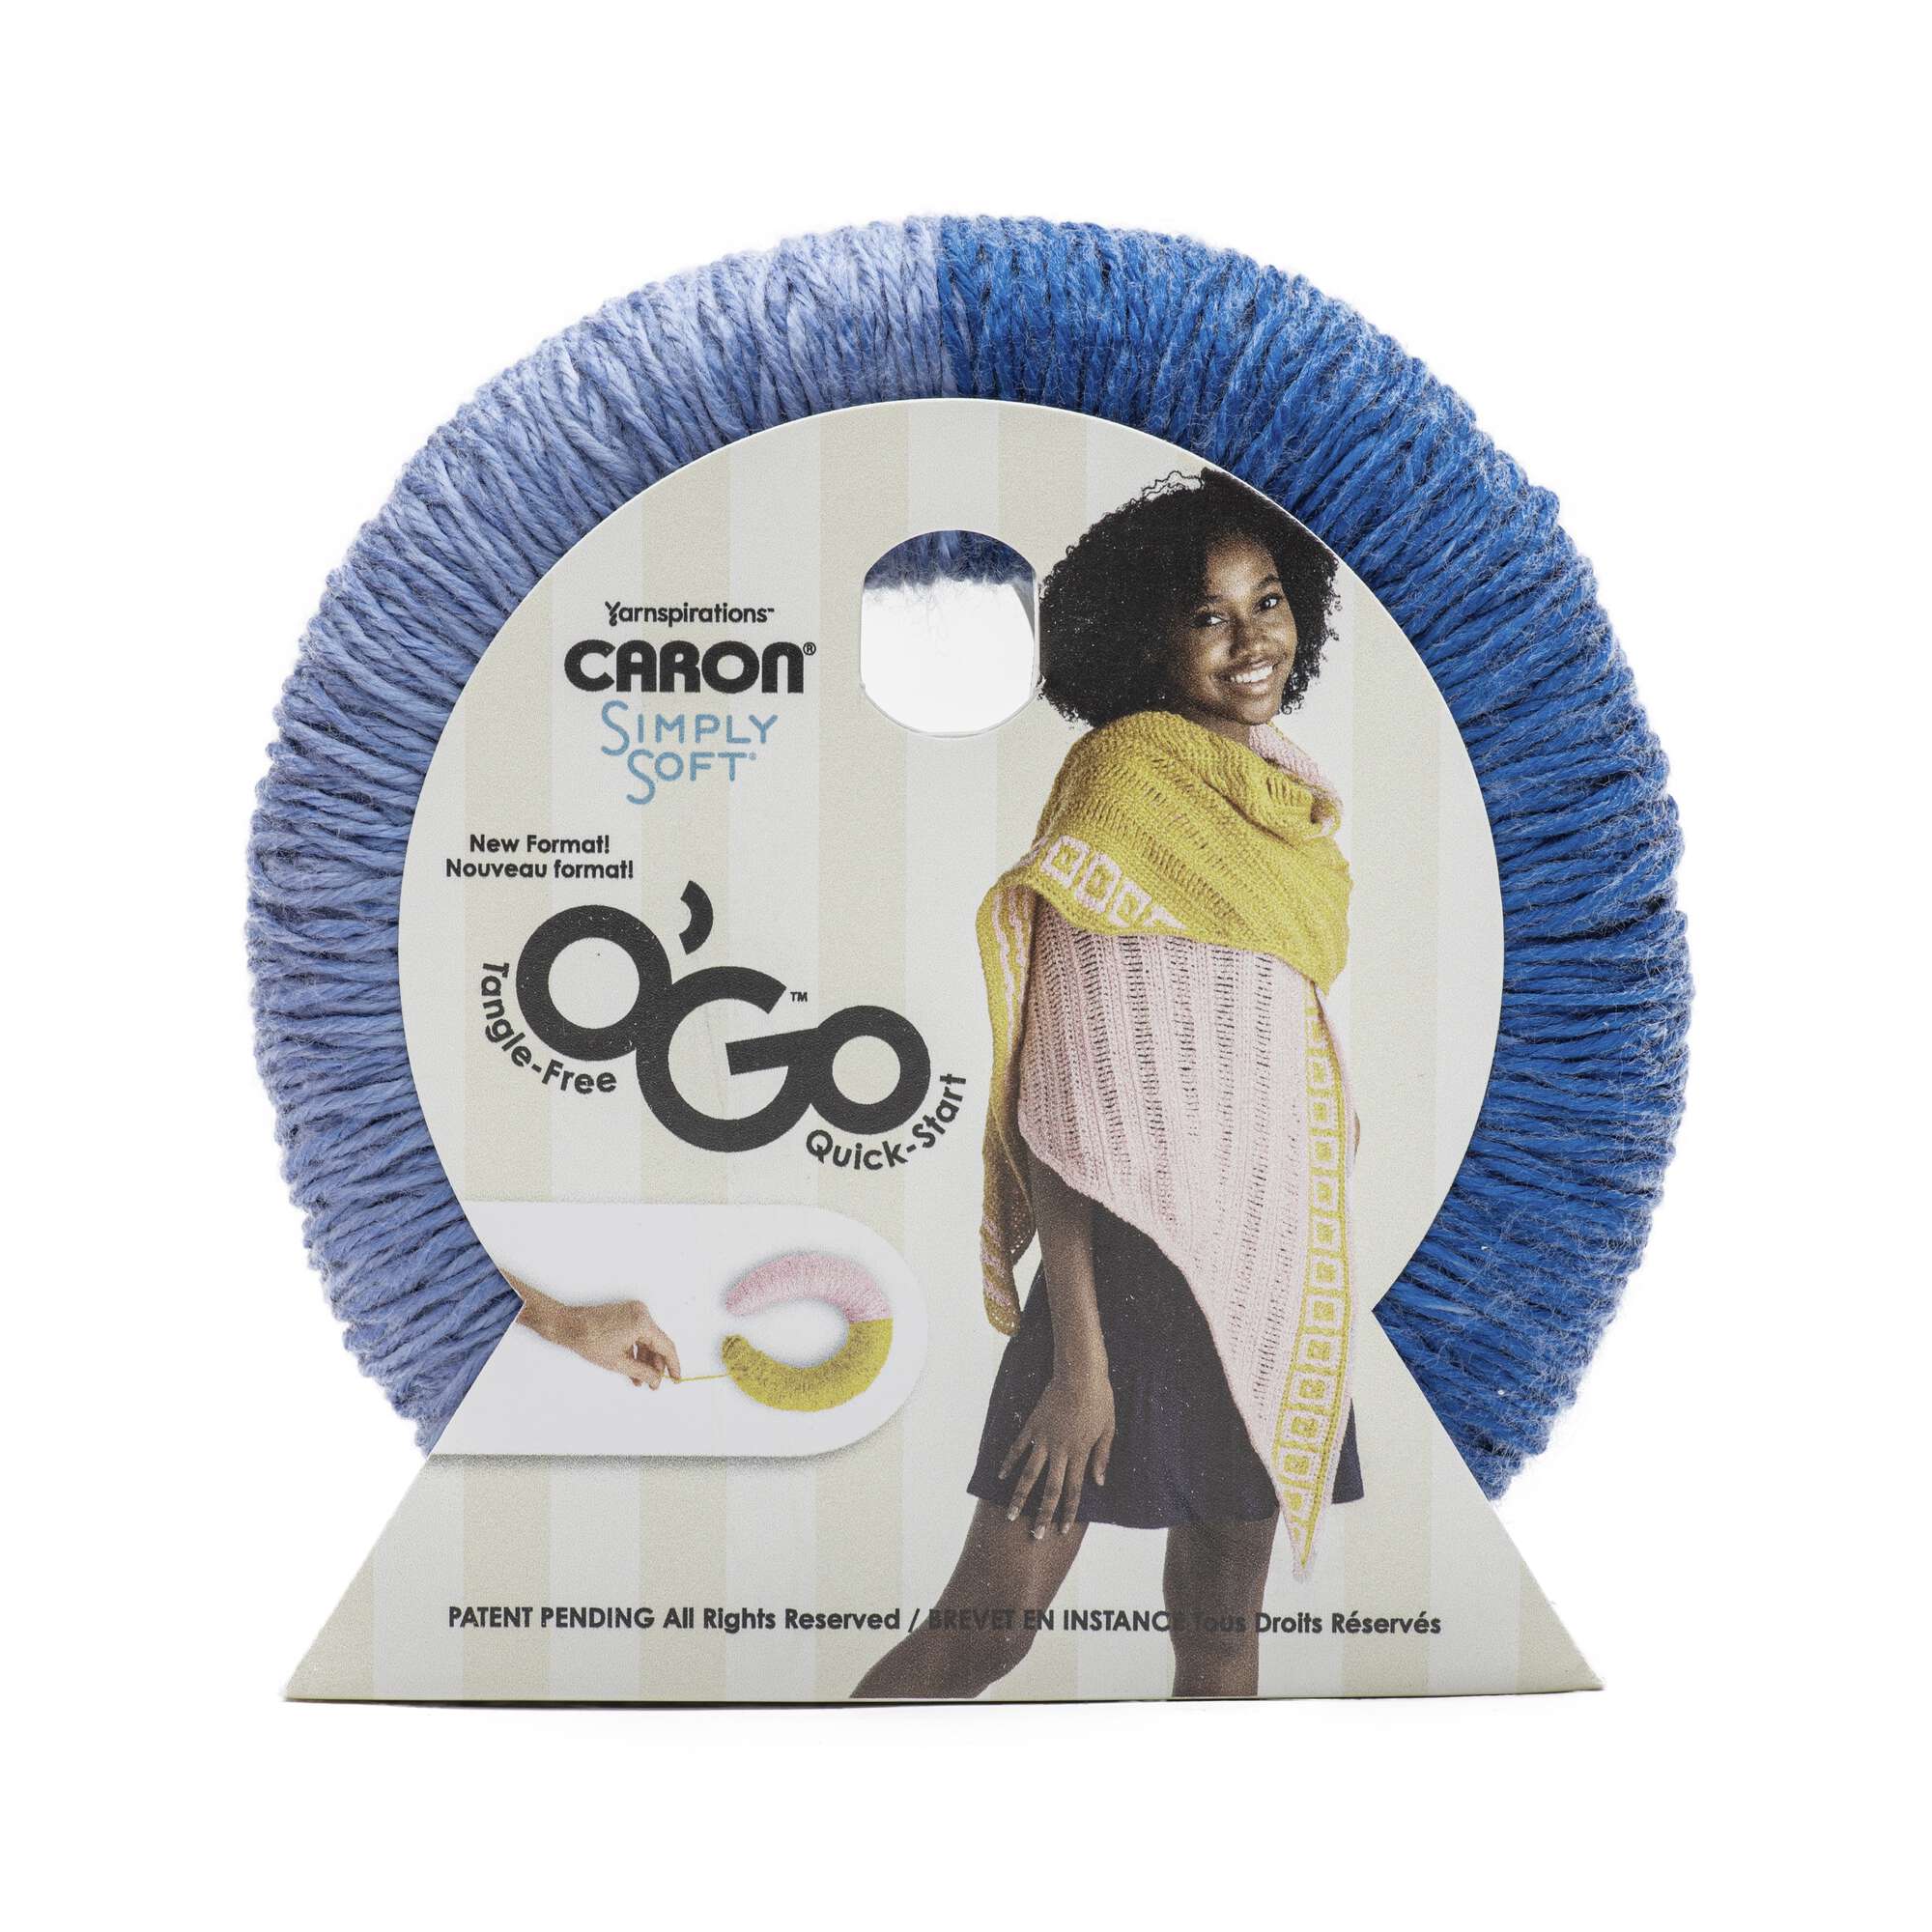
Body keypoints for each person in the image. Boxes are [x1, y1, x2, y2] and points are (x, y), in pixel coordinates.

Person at [855, 470, 1360, 1701]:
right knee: (986, 1629)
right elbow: (1067, 1103)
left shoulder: (1285, 801)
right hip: (1122, 1280)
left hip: (1270, 1264)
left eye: (1268, 600)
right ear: (1146, 636)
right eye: (1206, 615)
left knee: (1222, 1642)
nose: (1251, 639)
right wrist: (1078, 1367)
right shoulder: (1125, 782)